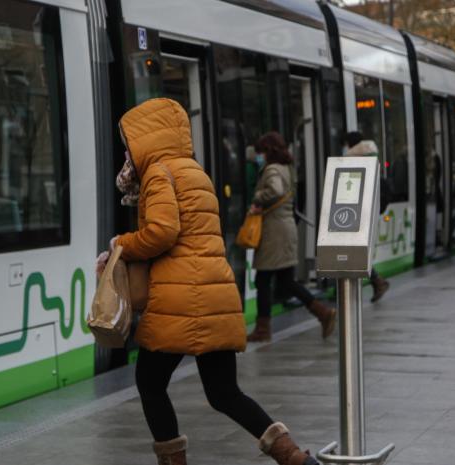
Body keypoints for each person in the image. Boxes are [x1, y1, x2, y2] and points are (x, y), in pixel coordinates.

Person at [95, 99, 319, 465]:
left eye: (129, 141)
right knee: (224, 392)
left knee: (150, 384)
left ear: (146, 139)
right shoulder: (192, 169)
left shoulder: (157, 173)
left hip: (179, 300)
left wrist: (121, 245)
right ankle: (294, 458)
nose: (126, 150)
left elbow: (163, 232)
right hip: (213, 292)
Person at [247, 131, 335, 343]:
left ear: (268, 151)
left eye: (261, 152)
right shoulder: (287, 168)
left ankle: (262, 329)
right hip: (286, 229)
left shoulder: (272, 170)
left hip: (274, 233)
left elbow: (275, 190)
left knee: (263, 279)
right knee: (286, 281)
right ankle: (322, 313)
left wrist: (258, 198)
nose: (259, 156)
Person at [342, 131, 390, 302]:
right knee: (355, 250)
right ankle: (377, 281)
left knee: (352, 250)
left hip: (357, 213)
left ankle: (377, 281)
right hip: (367, 212)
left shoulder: (354, 160)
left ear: (350, 145)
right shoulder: (370, 158)